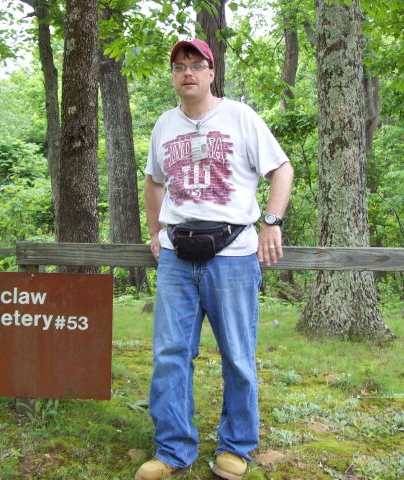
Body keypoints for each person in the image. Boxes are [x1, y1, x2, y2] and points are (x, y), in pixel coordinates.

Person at [136, 38, 294, 480]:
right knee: (170, 354)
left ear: (210, 72)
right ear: (173, 77)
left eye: (196, 65)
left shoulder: (240, 117)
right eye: (179, 66)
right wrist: (154, 231)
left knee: (237, 355)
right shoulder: (164, 125)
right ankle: (172, 450)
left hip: (233, 255)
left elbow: (281, 169)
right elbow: (154, 182)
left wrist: (271, 221)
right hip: (176, 257)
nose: (187, 72)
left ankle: (237, 446)